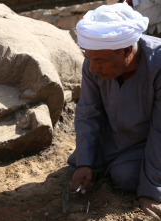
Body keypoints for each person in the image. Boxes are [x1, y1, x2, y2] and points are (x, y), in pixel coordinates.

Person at [67, 2, 161, 219]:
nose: (92, 68)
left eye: (100, 61)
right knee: (79, 165)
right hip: (114, 140)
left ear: (127, 51)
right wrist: (85, 163)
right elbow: (88, 113)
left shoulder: (157, 64)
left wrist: (151, 192)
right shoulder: (93, 62)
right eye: (89, 59)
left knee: (125, 176)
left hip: (149, 143)